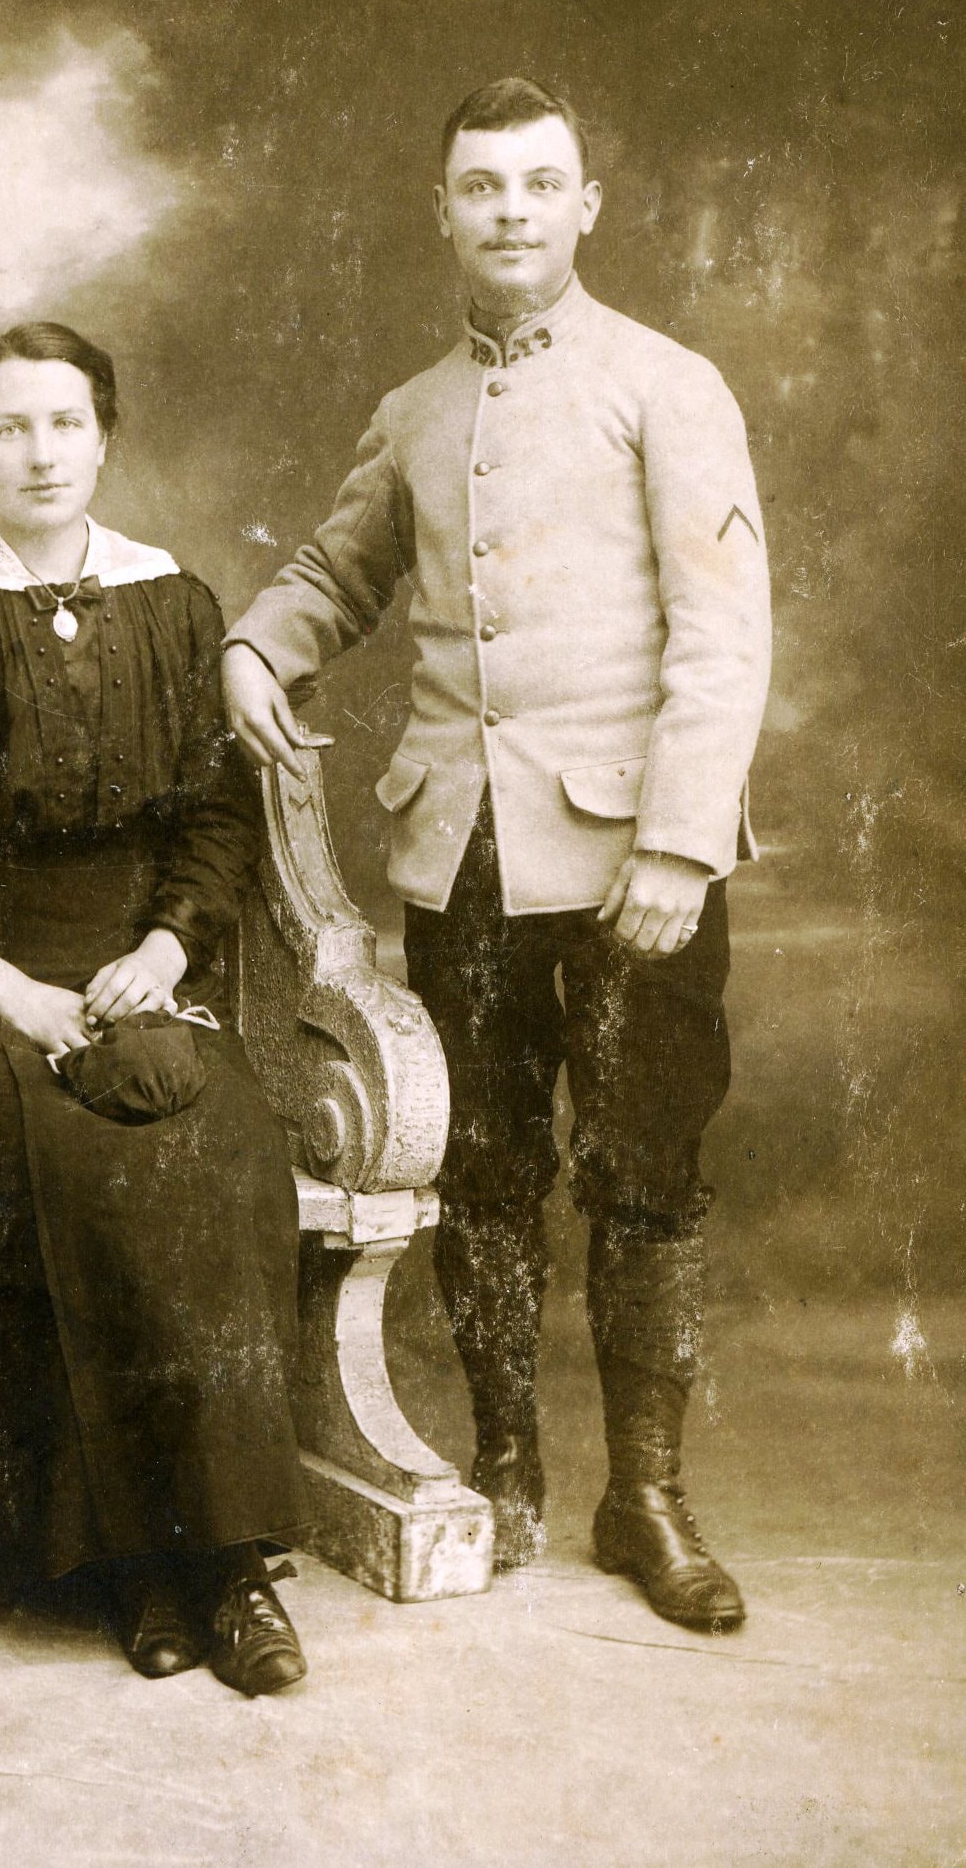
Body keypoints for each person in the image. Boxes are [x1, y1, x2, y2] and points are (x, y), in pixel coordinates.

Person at [222, 78, 772, 1633]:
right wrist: (261, 647)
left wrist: (676, 842)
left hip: (627, 862)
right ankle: (511, 1463)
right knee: (481, 1168)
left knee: (649, 1173)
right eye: (482, 188)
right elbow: (339, 566)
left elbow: (727, 638)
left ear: (588, 204)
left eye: (541, 184)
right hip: (458, 854)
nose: (512, 212)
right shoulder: (415, 410)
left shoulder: (670, 385)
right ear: (444, 213)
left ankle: (647, 1497)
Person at [0, 321, 310, 1696]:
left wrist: (164, 945)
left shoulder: (175, 604)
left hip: (128, 974)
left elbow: (219, 817)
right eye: (11, 427)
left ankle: (229, 1562)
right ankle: (124, 1565)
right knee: (53, 1171)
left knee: (219, 1149)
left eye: (67, 423)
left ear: (105, 436)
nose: (41, 451)